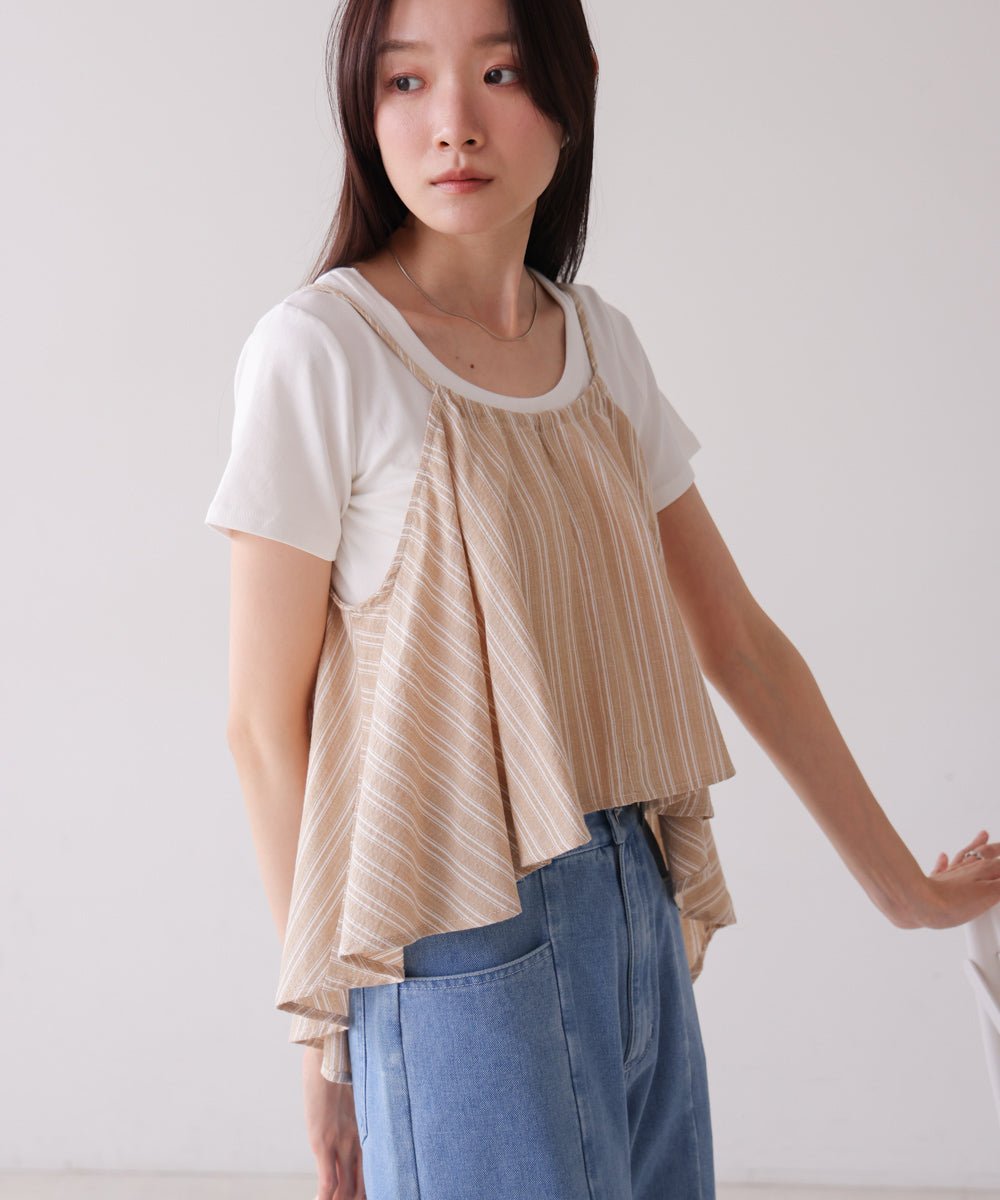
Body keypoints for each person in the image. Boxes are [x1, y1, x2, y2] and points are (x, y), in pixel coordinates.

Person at [205, 0, 1000, 1196]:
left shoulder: (599, 344)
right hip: (453, 937)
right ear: (363, 110)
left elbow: (741, 644)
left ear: (568, 92)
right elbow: (265, 725)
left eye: (499, 72)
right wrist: (329, 1037)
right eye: (405, 82)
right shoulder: (322, 349)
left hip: (637, 902)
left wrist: (909, 894)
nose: (452, 123)